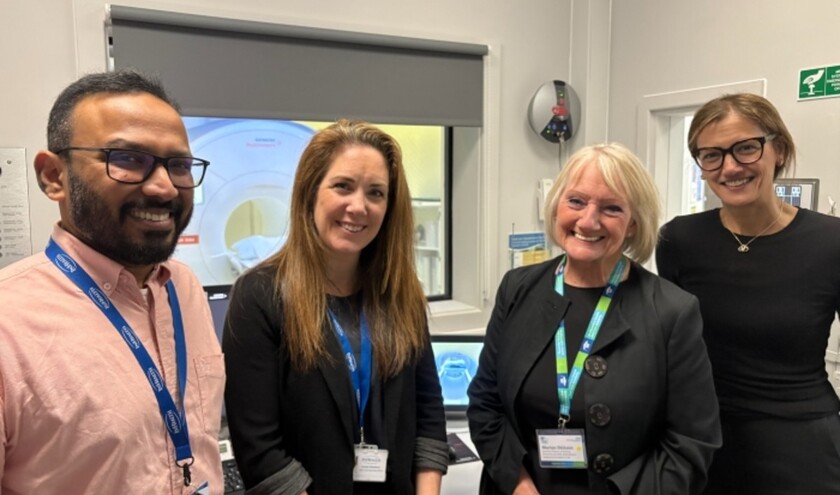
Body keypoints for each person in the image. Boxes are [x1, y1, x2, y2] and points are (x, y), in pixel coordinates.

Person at [0, 70, 224, 493]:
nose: (164, 188)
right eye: (126, 159)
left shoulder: (185, 288)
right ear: (54, 177)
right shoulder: (8, 325)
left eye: (177, 165)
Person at [468, 143, 721, 495]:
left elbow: (691, 443)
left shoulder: (672, 310)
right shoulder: (517, 288)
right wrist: (518, 484)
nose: (588, 221)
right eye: (576, 201)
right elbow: (485, 403)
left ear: (633, 223)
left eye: (611, 208)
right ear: (556, 205)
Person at [223, 119, 449, 495]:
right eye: (343, 186)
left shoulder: (401, 293)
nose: (358, 206)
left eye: (376, 193)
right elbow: (259, 448)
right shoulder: (260, 295)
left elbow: (428, 414)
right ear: (311, 191)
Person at [656, 93, 840, 494]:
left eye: (745, 148)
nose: (730, 167)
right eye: (712, 155)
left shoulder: (831, 242)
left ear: (779, 149)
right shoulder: (679, 239)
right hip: (701, 439)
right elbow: (668, 346)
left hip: (800, 442)